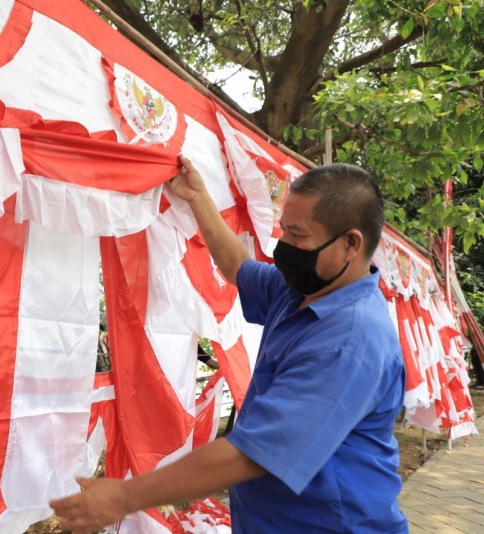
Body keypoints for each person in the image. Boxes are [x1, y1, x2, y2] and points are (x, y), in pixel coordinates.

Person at [50, 156, 408, 533]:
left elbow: (254, 455)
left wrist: (123, 497)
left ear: (351, 243)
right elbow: (237, 264)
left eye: (298, 235)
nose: (284, 245)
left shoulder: (350, 341)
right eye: (283, 230)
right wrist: (198, 198)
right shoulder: (302, 291)